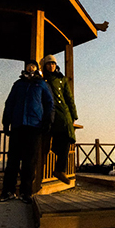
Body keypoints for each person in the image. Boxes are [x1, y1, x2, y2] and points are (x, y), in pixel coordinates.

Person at [0, 60, 55, 204]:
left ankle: (25, 192)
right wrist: (6, 122)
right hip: (18, 125)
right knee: (13, 161)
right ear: (25, 68)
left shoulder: (41, 84)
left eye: (33, 66)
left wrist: (48, 121)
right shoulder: (18, 84)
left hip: (34, 126)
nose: (31, 67)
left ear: (37, 68)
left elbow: (49, 103)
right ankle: (8, 191)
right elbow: (9, 102)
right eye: (29, 66)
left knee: (30, 161)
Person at [41, 54, 78, 184]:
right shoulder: (42, 80)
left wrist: (74, 115)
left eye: (53, 64)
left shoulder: (62, 79)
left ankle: (59, 170)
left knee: (67, 140)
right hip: (52, 115)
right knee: (53, 143)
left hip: (65, 115)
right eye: (49, 64)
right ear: (45, 66)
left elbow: (69, 98)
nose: (51, 66)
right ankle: (53, 171)